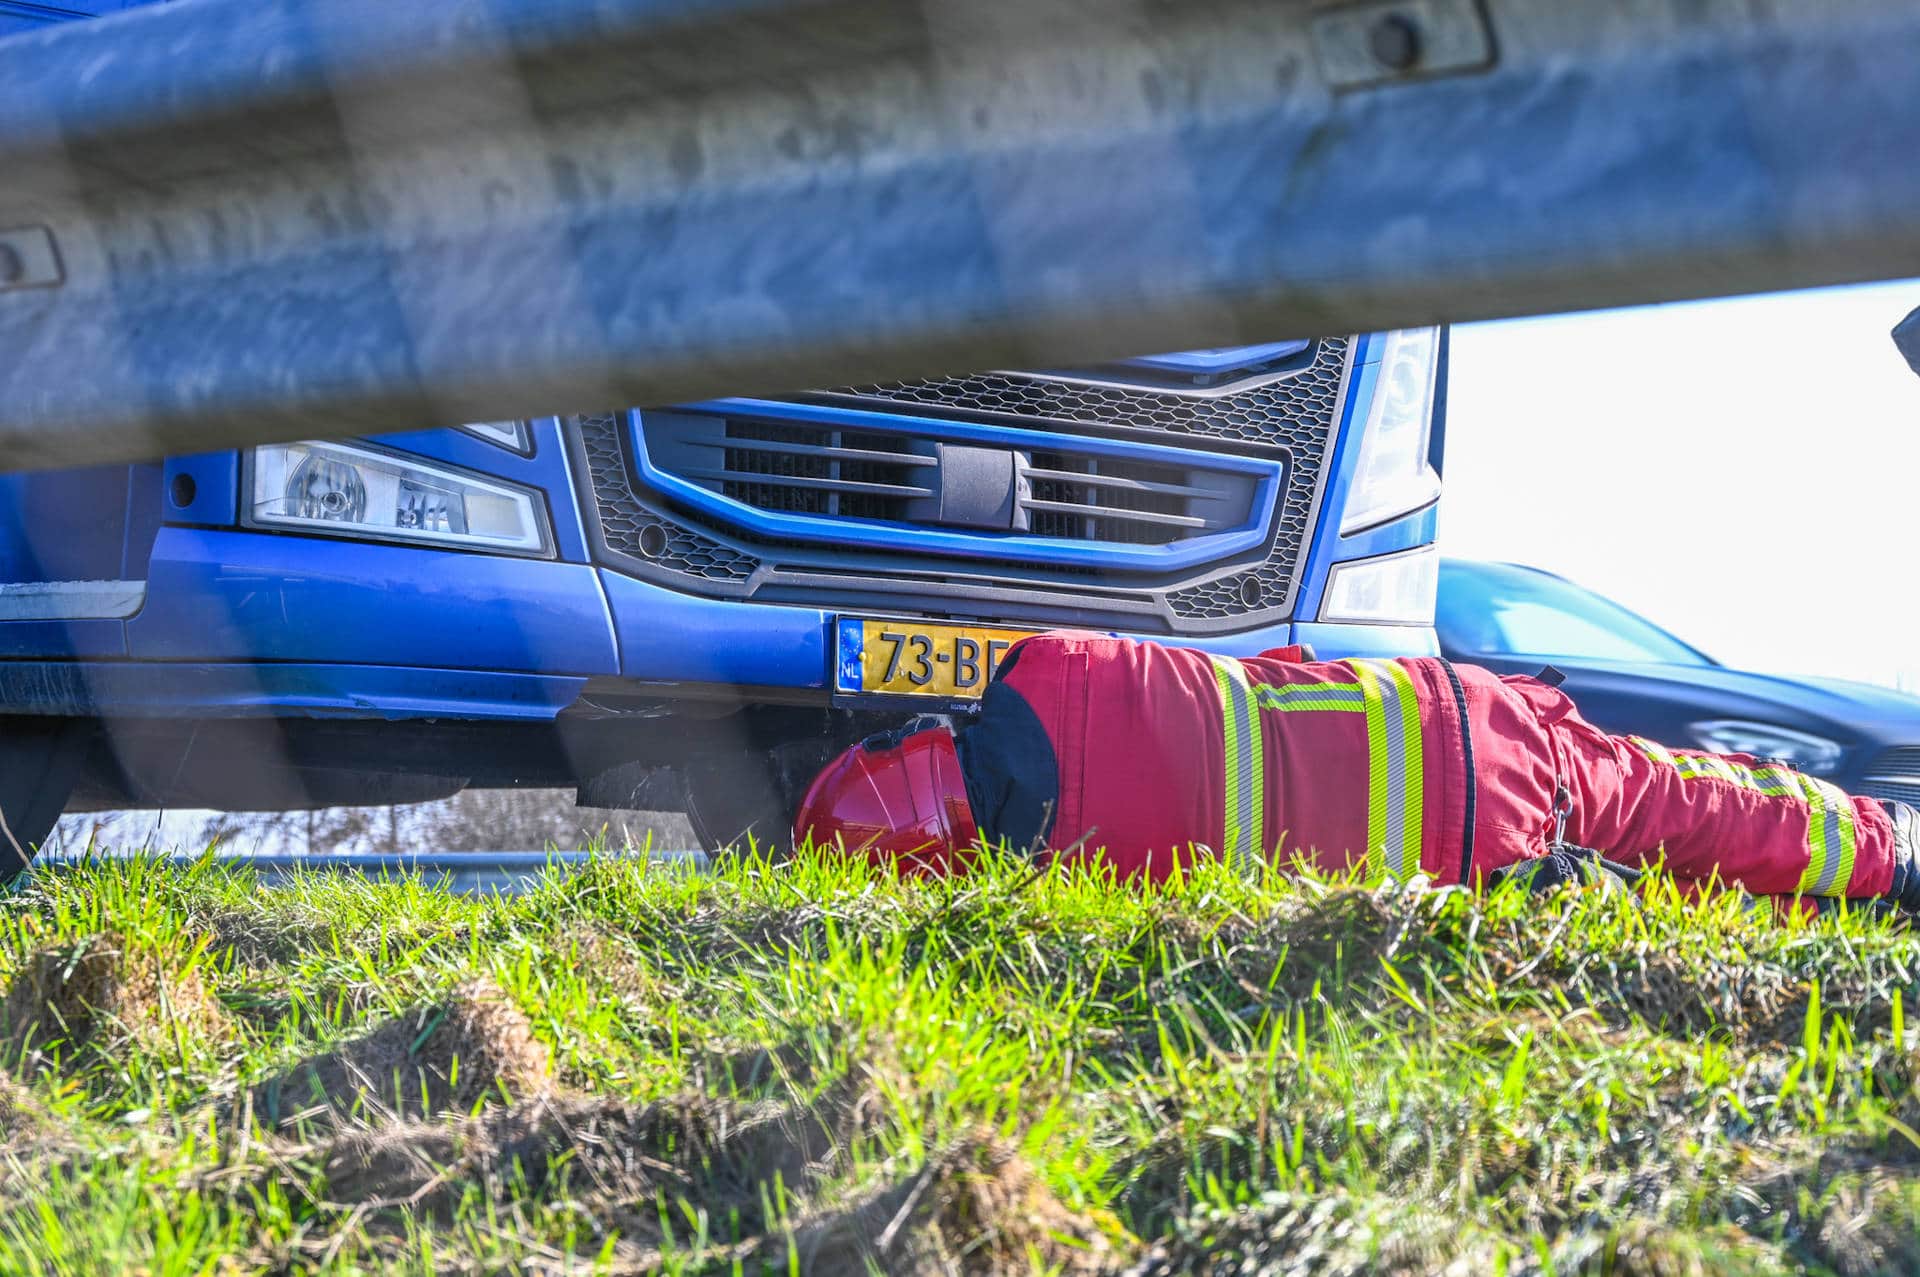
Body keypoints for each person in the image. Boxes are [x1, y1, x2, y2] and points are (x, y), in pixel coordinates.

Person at [793, 631, 1920, 913]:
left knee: (1694, 880)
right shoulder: (1052, 671)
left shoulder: (1052, 894)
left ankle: (1860, 891)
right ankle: (1897, 846)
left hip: (1467, 864)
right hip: (1456, 724)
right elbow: (1266, 669)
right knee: (1702, 801)